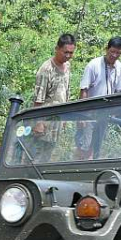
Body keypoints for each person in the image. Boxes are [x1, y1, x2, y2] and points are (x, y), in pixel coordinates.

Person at [76, 36, 121, 160]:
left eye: (118, 53)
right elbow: (84, 90)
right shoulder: (94, 65)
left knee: (97, 145)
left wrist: (115, 112)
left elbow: (118, 91)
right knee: (84, 145)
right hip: (89, 114)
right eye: (112, 52)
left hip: (105, 114)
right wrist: (82, 116)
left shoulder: (119, 67)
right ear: (106, 49)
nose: (114, 55)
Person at [30, 33, 76, 162]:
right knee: (35, 155)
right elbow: (38, 99)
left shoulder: (67, 66)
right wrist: (38, 122)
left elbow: (66, 91)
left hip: (58, 119)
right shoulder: (46, 69)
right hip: (44, 120)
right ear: (57, 49)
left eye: (71, 53)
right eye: (65, 52)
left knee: (48, 154)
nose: (68, 56)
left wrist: (65, 117)